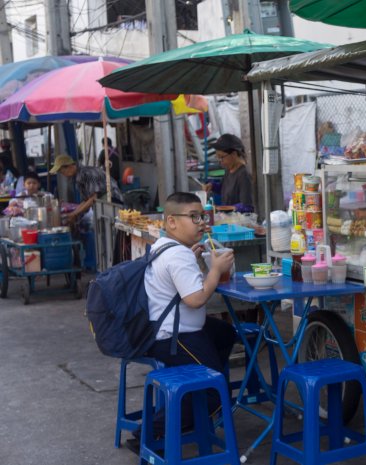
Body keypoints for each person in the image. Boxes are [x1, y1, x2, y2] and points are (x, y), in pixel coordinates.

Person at [123, 192, 235, 453]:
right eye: (193, 217)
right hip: (172, 338)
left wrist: (196, 261)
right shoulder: (178, 256)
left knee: (226, 333)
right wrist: (215, 270)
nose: (201, 223)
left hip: (167, 330)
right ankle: (148, 434)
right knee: (215, 391)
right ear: (171, 222)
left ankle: (197, 390)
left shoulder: (165, 247)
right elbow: (196, 299)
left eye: (202, 217)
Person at [49, 154, 124, 224]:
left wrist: (75, 214)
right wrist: (73, 214)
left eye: (62, 171)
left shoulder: (86, 173)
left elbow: (93, 198)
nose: (63, 175)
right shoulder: (78, 176)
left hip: (114, 201)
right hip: (103, 203)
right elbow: (86, 200)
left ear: (69, 166)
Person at [208, 133, 254, 212]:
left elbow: (247, 206)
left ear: (234, 154)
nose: (220, 161)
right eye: (217, 157)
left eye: (221, 157)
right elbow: (225, 189)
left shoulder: (244, 175)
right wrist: (212, 186)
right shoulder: (228, 169)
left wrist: (220, 208)